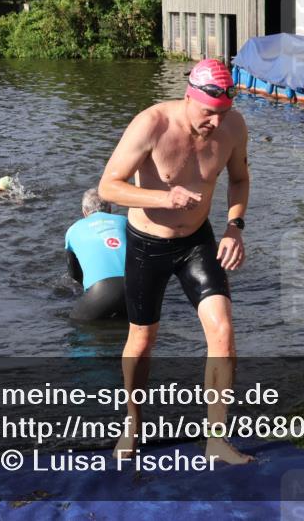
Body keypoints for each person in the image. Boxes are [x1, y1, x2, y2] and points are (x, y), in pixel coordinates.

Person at [98, 58, 251, 464]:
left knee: (223, 332)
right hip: (148, 244)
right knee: (143, 341)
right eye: (207, 113)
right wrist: (162, 198)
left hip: (197, 243)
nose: (215, 124)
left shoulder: (232, 127)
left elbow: (238, 178)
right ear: (188, 98)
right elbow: (108, 186)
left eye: (222, 114)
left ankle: (217, 438)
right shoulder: (152, 124)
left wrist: (234, 226)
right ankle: (133, 423)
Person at [65, 188, 128, 321]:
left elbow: (75, 275)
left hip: (101, 292)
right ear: (110, 209)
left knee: (74, 324)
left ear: (84, 212)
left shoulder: (73, 230)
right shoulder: (125, 221)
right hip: (137, 287)